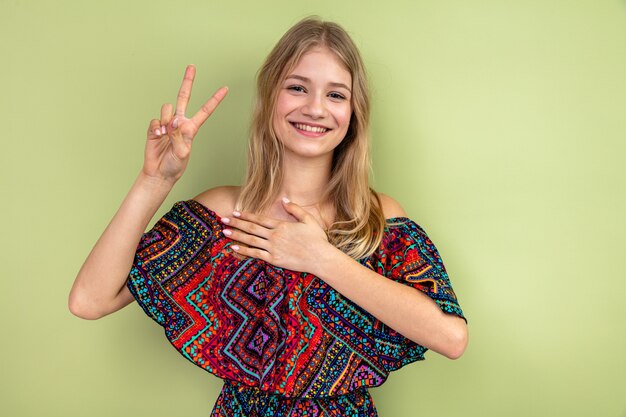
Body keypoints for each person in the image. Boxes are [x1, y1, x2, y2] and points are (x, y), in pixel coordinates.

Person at [69, 17, 468, 417]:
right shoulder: (223, 215)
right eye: (297, 87)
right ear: (270, 97)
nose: (314, 108)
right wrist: (154, 180)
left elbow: (451, 337)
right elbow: (90, 299)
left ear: (353, 113)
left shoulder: (376, 218)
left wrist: (320, 257)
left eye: (335, 95)